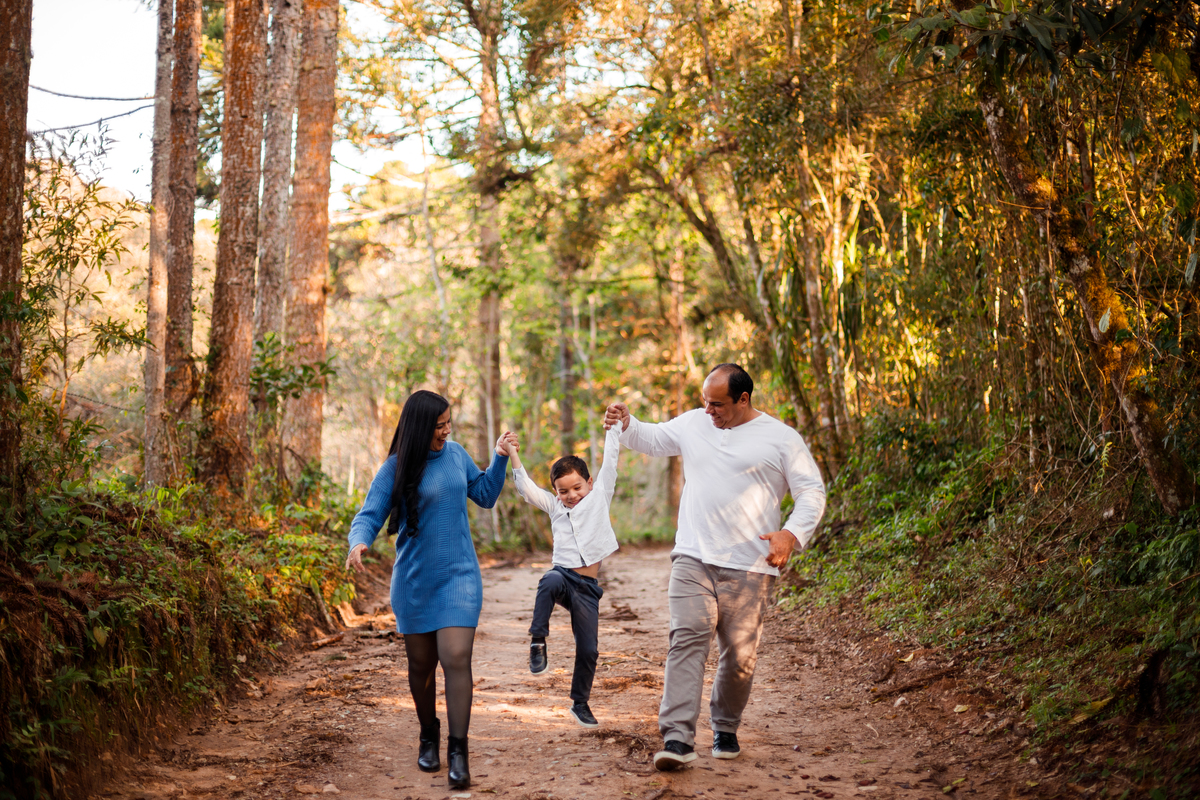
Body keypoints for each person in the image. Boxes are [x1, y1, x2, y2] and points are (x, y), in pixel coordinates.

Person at [604, 364, 825, 771]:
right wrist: (627, 422)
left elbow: (811, 490)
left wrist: (791, 534)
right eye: (705, 401)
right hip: (693, 556)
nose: (708, 411)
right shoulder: (694, 422)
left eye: (717, 404)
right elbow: (652, 438)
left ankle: (725, 726)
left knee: (739, 656)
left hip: (749, 566)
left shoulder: (780, 438)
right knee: (687, 638)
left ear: (743, 399)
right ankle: (677, 738)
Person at [345, 390, 513, 791]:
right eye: (439, 426)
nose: (446, 431)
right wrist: (358, 542)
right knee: (420, 667)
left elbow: (486, 495)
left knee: (456, 656)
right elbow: (370, 512)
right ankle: (428, 733)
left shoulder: (455, 455)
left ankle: (459, 751)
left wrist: (500, 457)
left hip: (459, 576)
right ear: (421, 427)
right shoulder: (396, 467)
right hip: (415, 581)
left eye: (448, 423)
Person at [502, 423, 622, 729]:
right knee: (550, 580)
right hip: (564, 578)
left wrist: (613, 427)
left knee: (589, 649)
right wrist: (513, 453)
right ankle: (537, 641)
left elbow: (610, 460)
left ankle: (580, 703)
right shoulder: (556, 507)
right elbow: (526, 487)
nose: (571, 495)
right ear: (556, 492)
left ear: (590, 483)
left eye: (577, 488)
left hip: (588, 590)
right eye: (563, 491)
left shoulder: (599, 497)